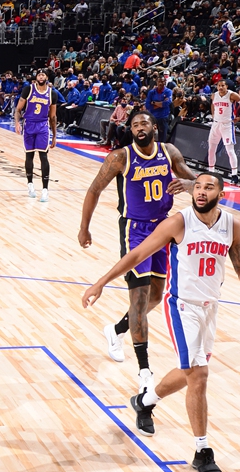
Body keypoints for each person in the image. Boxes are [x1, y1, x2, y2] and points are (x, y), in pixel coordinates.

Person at [82, 173, 240, 472]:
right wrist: (101, 282)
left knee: (189, 372)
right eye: (197, 186)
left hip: (211, 307)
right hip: (183, 306)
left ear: (221, 194)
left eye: (208, 187)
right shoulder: (179, 223)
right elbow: (138, 253)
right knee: (199, 375)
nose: (200, 191)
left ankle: (144, 402)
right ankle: (202, 451)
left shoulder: (232, 226)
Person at [78, 110, 195, 395]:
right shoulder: (120, 157)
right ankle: (145, 372)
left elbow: (202, 183)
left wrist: (190, 185)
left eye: (144, 123)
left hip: (164, 230)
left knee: (155, 296)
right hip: (135, 231)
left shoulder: (169, 152)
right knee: (140, 300)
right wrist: (84, 228)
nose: (139, 127)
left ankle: (116, 330)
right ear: (130, 131)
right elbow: (94, 190)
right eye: (134, 125)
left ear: (154, 127)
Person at [13, 69, 57, 201]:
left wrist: (54, 135)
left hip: (43, 125)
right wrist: (17, 122)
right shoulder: (28, 90)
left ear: (47, 77)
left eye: (43, 74)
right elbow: (18, 109)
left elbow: (53, 116)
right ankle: (30, 184)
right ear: (36, 77)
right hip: (29, 125)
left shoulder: (52, 94)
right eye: (39, 75)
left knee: (43, 156)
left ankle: (45, 190)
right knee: (29, 155)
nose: (41, 76)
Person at [207, 78, 240, 178]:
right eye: (219, 85)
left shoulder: (231, 94)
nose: (221, 87)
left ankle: (234, 174)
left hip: (227, 125)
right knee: (211, 149)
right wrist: (213, 115)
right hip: (216, 124)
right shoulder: (214, 95)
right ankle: (211, 171)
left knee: (230, 150)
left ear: (226, 86)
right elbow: (213, 105)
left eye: (223, 85)